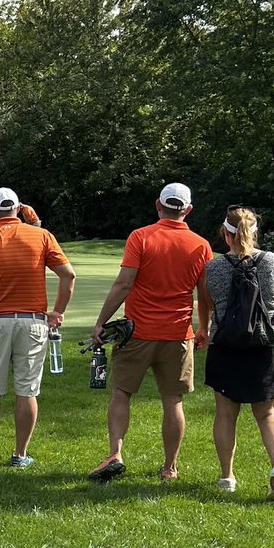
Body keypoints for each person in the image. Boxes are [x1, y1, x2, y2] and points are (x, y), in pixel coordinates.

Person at [87, 182, 213, 483]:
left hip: (138, 332)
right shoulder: (201, 245)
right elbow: (205, 293)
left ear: (158, 204)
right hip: (178, 334)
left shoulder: (140, 237)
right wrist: (204, 327)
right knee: (173, 401)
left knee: (121, 393)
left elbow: (124, 283)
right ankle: (170, 467)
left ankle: (115, 453)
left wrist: (101, 321)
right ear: (189, 209)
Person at [0, 187, 76, 468]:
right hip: (32, 321)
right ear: (18, 209)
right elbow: (68, 274)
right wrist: (58, 311)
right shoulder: (41, 236)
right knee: (27, 390)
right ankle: (20, 454)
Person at [198, 206, 274, 501]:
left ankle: (227, 477)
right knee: (267, 414)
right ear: (255, 232)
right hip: (267, 344)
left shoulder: (213, 267)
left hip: (226, 344)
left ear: (226, 235)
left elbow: (209, 305)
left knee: (226, 414)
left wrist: (204, 329)